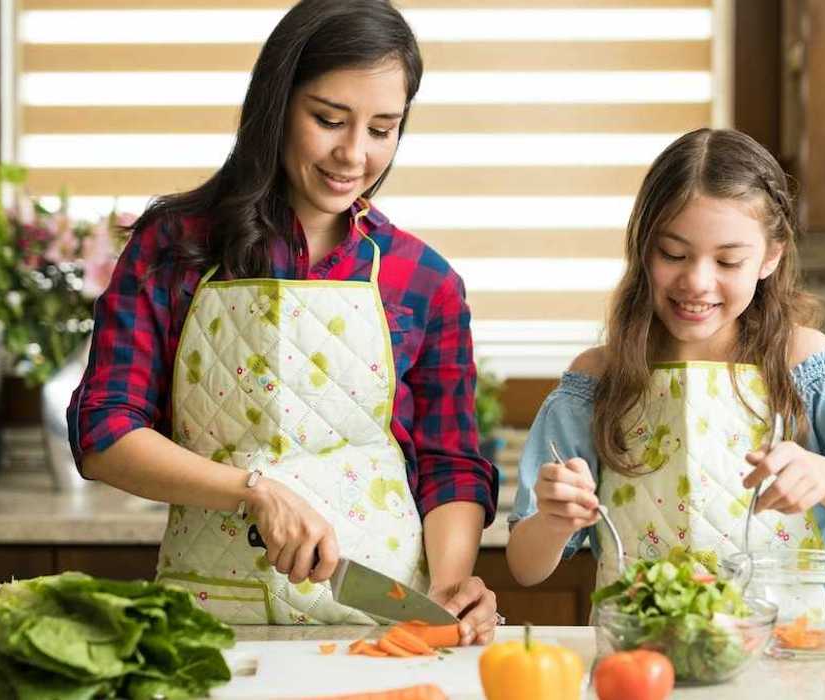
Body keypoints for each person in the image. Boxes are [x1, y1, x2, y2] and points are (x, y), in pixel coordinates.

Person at [67, 0, 500, 643]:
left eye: (383, 129)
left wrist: (450, 587)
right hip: (211, 620)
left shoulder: (424, 279)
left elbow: (450, 463)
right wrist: (253, 490)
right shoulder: (175, 247)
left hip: (380, 621)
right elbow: (103, 433)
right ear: (277, 104)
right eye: (329, 119)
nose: (354, 154)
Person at [506, 128, 825, 591]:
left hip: (788, 649)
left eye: (728, 262)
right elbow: (526, 566)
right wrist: (554, 519)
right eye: (674, 253)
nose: (697, 281)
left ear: (770, 257)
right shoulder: (598, 377)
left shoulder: (805, 362)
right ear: (644, 247)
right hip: (643, 656)